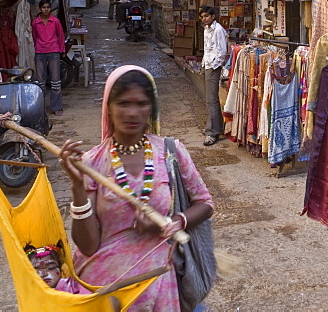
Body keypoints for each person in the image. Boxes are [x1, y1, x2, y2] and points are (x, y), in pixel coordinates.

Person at [58, 65, 214, 310]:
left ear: (151, 108)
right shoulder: (91, 163)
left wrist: (175, 221)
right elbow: (87, 246)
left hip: (158, 289)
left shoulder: (170, 152)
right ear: (108, 107)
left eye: (141, 104)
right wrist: (77, 186)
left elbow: (205, 203)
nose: (132, 112)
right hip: (106, 293)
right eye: (123, 103)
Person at [199, 6, 228, 147]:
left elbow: (222, 51)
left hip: (213, 66)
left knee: (211, 99)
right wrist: (204, 64)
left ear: (213, 16)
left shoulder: (218, 30)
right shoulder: (207, 29)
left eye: (206, 16)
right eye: (202, 17)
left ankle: (213, 132)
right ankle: (213, 126)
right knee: (209, 99)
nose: (204, 19)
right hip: (207, 64)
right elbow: (207, 48)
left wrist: (214, 65)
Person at [31, 0, 65, 117]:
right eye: (44, 7)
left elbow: (60, 35)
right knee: (40, 82)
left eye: (48, 7)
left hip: (54, 51)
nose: (46, 9)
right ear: (40, 9)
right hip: (40, 52)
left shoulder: (55, 21)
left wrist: (62, 50)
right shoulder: (35, 23)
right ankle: (40, 107)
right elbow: (34, 37)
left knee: (55, 81)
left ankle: (56, 107)